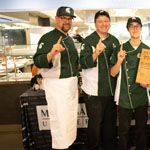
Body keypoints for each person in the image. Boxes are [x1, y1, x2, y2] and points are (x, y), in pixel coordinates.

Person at [33, 6, 79, 150]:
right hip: (57, 86)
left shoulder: (69, 38)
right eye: (64, 18)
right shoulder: (47, 38)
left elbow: (73, 65)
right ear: (57, 19)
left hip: (70, 85)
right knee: (60, 123)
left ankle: (67, 146)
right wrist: (51, 53)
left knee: (70, 121)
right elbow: (38, 61)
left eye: (70, 19)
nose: (67, 21)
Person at [80, 10, 119, 150]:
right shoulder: (89, 41)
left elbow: (116, 64)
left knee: (110, 125)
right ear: (95, 24)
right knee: (95, 126)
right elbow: (83, 63)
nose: (103, 24)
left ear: (109, 23)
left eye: (106, 21)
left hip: (111, 91)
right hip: (93, 92)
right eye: (100, 21)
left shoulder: (114, 40)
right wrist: (95, 52)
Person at [110, 17, 150, 150]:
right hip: (124, 96)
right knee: (123, 130)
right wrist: (119, 61)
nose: (134, 29)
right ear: (128, 29)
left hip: (141, 95)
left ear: (141, 28)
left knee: (141, 129)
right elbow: (113, 73)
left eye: (137, 26)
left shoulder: (148, 50)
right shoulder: (121, 48)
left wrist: (148, 83)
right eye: (131, 26)